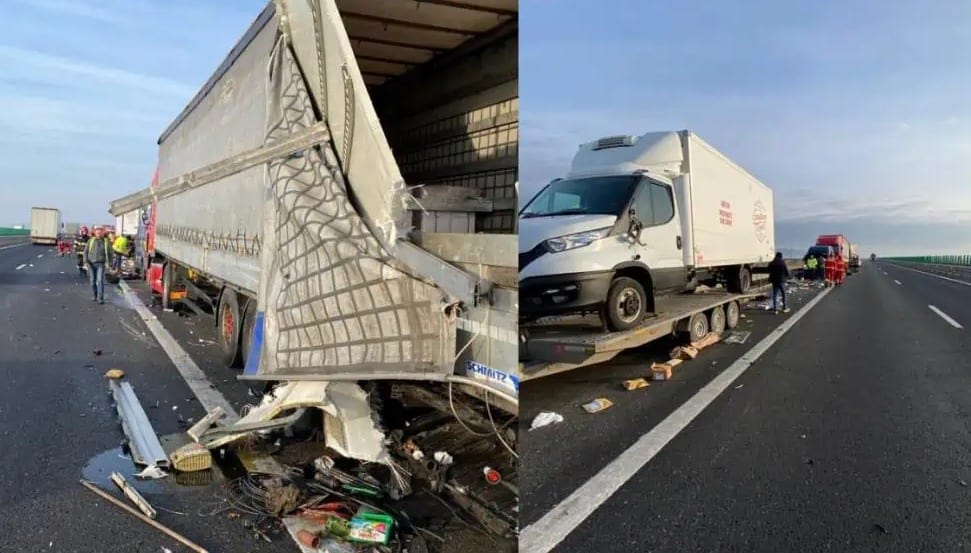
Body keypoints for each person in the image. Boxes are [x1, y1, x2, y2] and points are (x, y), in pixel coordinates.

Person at [85, 226, 111, 304]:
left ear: (103, 233)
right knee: (92, 281)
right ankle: (94, 295)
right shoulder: (91, 241)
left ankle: (100, 298)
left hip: (101, 263)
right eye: (97, 232)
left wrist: (110, 263)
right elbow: (86, 251)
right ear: (95, 233)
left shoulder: (106, 242)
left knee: (100, 280)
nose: (99, 233)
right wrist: (85, 261)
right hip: (91, 263)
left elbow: (110, 253)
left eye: (100, 232)